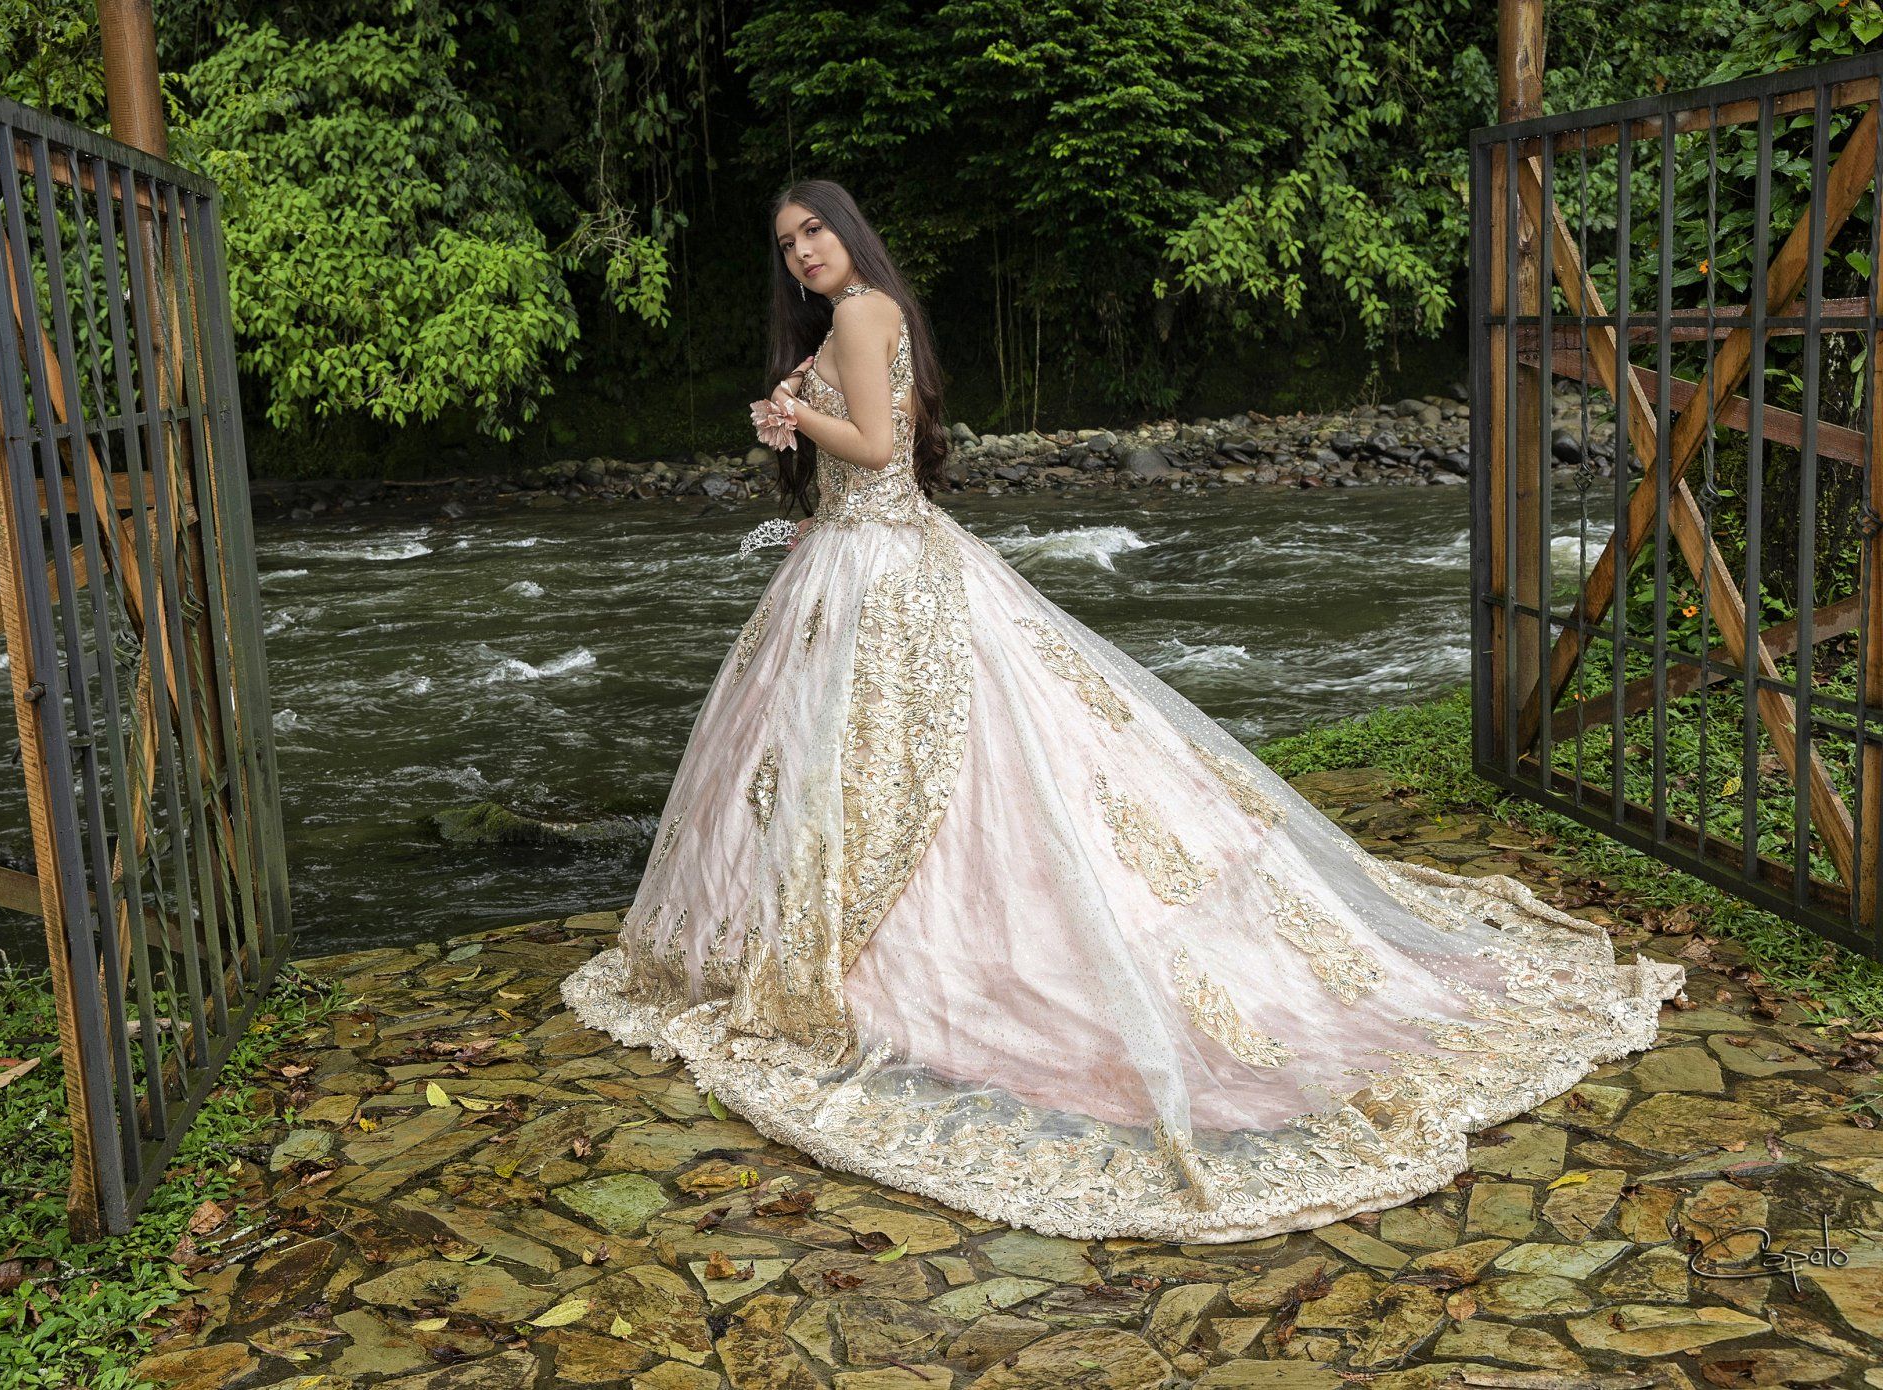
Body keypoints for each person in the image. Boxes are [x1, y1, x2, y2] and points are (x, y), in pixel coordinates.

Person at [560, 178, 1686, 1243]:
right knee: (883, 766)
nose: (803, 251)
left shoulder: (860, 311)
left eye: (814, 229)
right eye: (787, 242)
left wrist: (798, 420)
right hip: (862, 556)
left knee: (909, 769)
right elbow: (869, 461)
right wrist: (803, 458)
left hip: (883, 571)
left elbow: (879, 449)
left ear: (849, 231)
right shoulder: (859, 316)